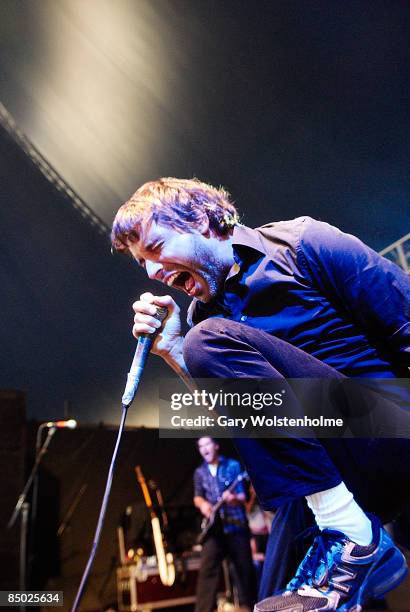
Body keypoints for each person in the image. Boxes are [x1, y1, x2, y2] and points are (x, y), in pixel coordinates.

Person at [111, 177, 410, 612]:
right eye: (143, 264)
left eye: (155, 248)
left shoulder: (302, 243)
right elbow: (245, 420)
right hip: (332, 476)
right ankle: (352, 546)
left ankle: (353, 538)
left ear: (201, 221)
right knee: (278, 599)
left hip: (389, 429)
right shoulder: (204, 319)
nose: (153, 272)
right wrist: (176, 351)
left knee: (206, 340)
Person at [193, 436, 255, 612]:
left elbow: (243, 497)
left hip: (236, 525)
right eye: (200, 446)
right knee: (207, 570)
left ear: (216, 446)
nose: (204, 449)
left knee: (244, 570)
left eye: (207, 444)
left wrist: (233, 499)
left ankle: (248, 607)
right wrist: (203, 504)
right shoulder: (200, 472)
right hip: (214, 529)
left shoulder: (233, 466)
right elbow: (197, 496)